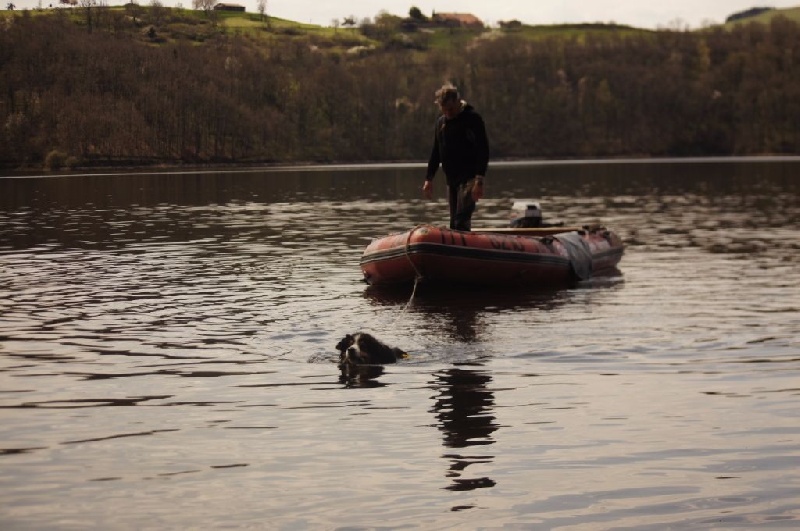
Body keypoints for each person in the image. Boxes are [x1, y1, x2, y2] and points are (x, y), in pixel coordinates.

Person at [423, 84, 490, 231]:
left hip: (470, 178)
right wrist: (429, 178)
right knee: (454, 223)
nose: (448, 113)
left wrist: (479, 180)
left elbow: (483, 149)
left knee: (461, 220)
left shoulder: (472, 119)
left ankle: (466, 249)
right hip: (452, 180)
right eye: (444, 110)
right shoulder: (441, 123)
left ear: (457, 101)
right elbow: (436, 152)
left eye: (451, 109)